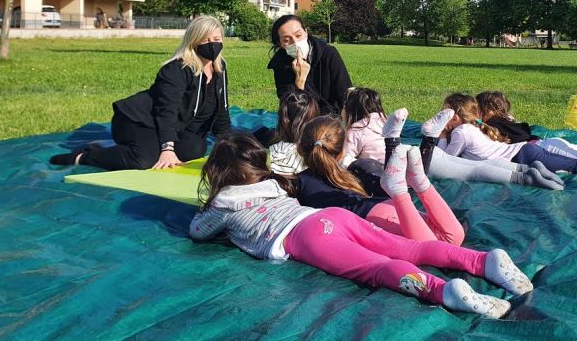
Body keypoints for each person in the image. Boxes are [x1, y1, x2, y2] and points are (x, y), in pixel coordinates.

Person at [189, 129, 533, 319]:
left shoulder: (224, 203)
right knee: (407, 247)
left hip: (305, 236)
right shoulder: (273, 184)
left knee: (377, 268)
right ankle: (482, 260)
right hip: (329, 218)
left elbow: (199, 231)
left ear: (219, 173)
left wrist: (214, 202)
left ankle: (443, 291)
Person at [49, 15, 231, 170]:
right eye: (206, 40)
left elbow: (221, 110)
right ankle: (85, 156)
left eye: (216, 39)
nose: (212, 45)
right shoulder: (177, 69)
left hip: (171, 127)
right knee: (144, 160)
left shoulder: (220, 68)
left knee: (196, 148)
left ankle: (153, 146)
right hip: (136, 121)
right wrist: (167, 148)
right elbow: (165, 110)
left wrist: (228, 145)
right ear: (193, 41)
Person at [340, 86, 564, 190]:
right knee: (471, 166)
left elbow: (346, 161)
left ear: (350, 110)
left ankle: (525, 177)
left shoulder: (355, 131)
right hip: (416, 153)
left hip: (406, 168)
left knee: (472, 170)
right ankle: (525, 170)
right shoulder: (384, 118)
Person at [296, 115, 465, 245]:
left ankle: (402, 189)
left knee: (433, 250)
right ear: (341, 151)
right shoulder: (350, 171)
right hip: (387, 206)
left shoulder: (300, 182)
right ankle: (419, 182)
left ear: (299, 148)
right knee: (454, 236)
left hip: (371, 218)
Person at [435, 93, 577, 180]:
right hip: (527, 152)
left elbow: (444, 161)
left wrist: (441, 134)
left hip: (524, 155)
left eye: (444, 113)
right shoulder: (473, 128)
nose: (441, 117)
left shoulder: (462, 132)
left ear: (456, 117)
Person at [477, 91, 577, 160]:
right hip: (549, 144)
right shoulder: (509, 121)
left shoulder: (491, 125)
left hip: (542, 150)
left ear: (487, 109)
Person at [267, 15, 352, 115]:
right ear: (280, 43)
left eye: (298, 35)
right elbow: (289, 108)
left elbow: (344, 93)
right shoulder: (280, 63)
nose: (295, 42)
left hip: (332, 119)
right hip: (301, 119)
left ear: (306, 33)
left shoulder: (328, 53)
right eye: (286, 40)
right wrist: (300, 80)